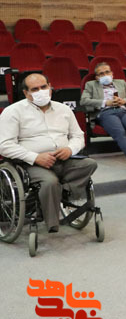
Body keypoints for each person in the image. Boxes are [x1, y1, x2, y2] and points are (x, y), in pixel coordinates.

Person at [0, 73, 97, 233]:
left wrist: (69, 149)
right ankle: (52, 223)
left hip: (63, 159)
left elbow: (78, 136)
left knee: (90, 164)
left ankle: (61, 192)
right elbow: (4, 145)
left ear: (50, 87)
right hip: (30, 163)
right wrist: (35, 157)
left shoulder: (64, 109)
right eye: (35, 89)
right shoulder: (13, 112)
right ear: (26, 93)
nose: (41, 91)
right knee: (50, 182)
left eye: (44, 87)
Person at [80, 61, 126, 167]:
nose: (105, 75)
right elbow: (84, 100)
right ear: (97, 77)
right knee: (119, 131)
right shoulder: (90, 85)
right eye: (101, 74)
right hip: (106, 113)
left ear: (112, 74)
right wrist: (106, 102)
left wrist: (124, 101)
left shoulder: (121, 83)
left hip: (122, 110)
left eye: (107, 72)